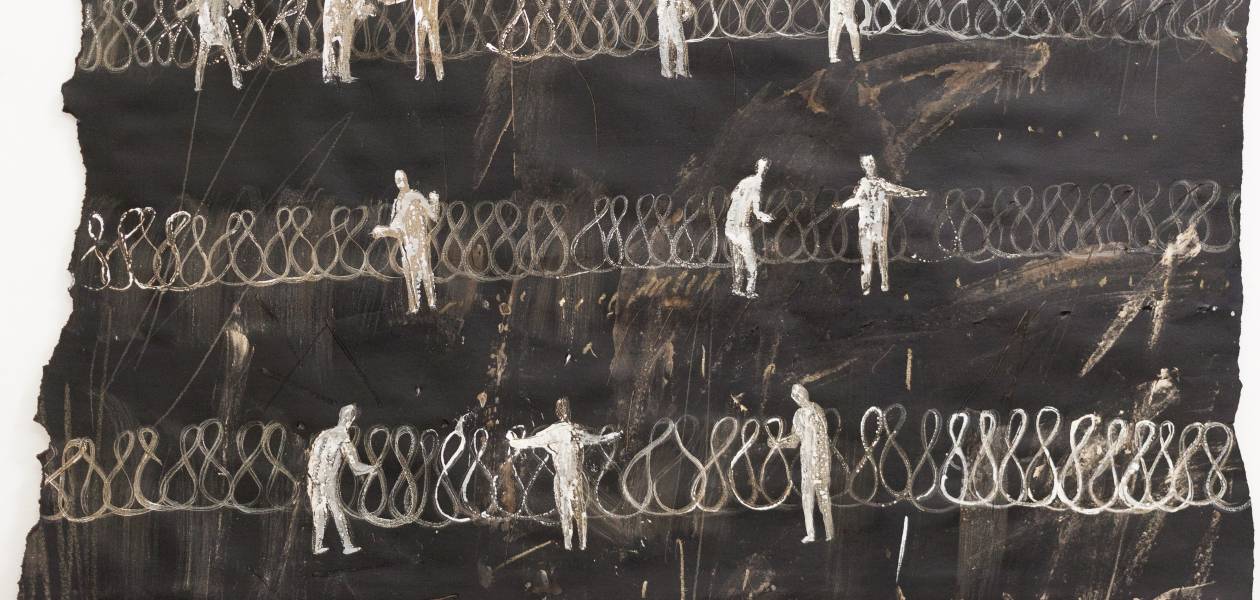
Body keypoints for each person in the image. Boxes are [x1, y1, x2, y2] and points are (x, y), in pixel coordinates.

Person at [507, 399, 621, 551]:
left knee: (574, 512)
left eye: (564, 408)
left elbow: (595, 439)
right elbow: (596, 439)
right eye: (562, 408)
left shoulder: (570, 430)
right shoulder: (566, 431)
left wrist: (513, 441)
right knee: (572, 512)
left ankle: (577, 544)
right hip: (567, 478)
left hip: (571, 478)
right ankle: (575, 544)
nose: (564, 411)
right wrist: (514, 441)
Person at [836, 155, 926, 295]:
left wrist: (915, 193)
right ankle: (865, 286)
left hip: (879, 223)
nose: (870, 165)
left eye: (872, 162)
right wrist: (842, 205)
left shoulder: (882, 183)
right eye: (867, 163)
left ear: (875, 163)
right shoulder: (862, 183)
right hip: (865, 224)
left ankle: (884, 282)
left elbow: (899, 190)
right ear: (863, 166)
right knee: (866, 254)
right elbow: (855, 200)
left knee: (881, 252)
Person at [308, 404, 378, 555]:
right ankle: (347, 545)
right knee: (337, 511)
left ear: (340, 416)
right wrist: (372, 468)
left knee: (319, 511)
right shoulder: (343, 438)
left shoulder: (324, 434)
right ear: (351, 419)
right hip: (327, 481)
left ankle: (317, 546)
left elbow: (313, 458)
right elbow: (356, 467)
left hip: (313, 480)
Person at [769, 384, 834, 543]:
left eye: (798, 394)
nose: (797, 398)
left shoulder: (816, 409)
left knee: (823, 496)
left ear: (805, 393)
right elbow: (794, 441)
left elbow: (823, 435)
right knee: (807, 497)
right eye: (794, 396)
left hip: (820, 460)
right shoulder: (798, 415)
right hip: (806, 462)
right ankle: (811, 533)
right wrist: (778, 443)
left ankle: (830, 533)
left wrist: (823, 462)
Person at [371, 170, 442, 313]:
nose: (400, 181)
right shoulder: (397, 203)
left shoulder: (416, 196)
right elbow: (395, 229)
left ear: (406, 178)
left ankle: (432, 304)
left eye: (402, 178)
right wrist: (382, 231)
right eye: (397, 179)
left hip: (421, 242)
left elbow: (434, 216)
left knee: (425, 272)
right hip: (408, 245)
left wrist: (434, 201)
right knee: (411, 277)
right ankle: (414, 308)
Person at [725, 158, 775, 298]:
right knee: (750, 262)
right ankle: (749, 290)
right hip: (739, 229)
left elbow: (733, 196)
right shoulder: (755, 187)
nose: (762, 170)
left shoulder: (744, 182)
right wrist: (764, 216)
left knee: (737, 261)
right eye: (762, 168)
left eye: (764, 168)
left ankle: (737, 288)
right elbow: (757, 212)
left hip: (730, 227)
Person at [176, 0, 245, 91]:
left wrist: (181, 13)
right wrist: (181, 13)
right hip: (209, 29)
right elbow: (237, 5)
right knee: (226, 54)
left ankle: (237, 81)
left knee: (229, 53)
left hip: (217, 27)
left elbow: (237, 5)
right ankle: (198, 84)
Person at [323, 0, 379, 83]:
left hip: (343, 16)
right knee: (331, 44)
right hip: (335, 15)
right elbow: (359, 12)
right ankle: (332, 74)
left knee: (340, 46)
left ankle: (339, 74)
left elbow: (359, 12)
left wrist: (366, 8)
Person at [657, 0, 696, 78]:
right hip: (664, 24)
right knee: (664, 46)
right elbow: (659, 11)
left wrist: (685, 15)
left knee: (680, 46)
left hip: (675, 24)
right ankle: (666, 70)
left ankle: (680, 69)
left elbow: (689, 7)